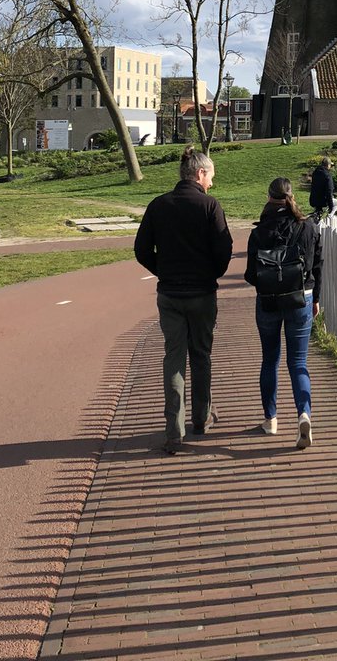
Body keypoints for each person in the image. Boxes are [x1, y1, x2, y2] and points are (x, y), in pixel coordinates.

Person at [134, 146, 233, 454]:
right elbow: (224, 249)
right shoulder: (209, 206)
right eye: (211, 176)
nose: (212, 183)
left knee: (173, 358)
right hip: (202, 293)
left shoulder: (158, 205)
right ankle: (202, 418)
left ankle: (173, 430)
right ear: (200, 173)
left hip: (170, 294)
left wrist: (162, 270)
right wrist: (211, 274)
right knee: (201, 355)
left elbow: (141, 250)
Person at [245, 177, 323, 449]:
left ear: (269, 198)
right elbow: (317, 266)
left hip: (268, 302)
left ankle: (271, 420)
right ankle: (304, 413)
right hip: (302, 299)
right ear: (292, 197)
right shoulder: (308, 227)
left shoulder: (258, 232)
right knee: (298, 363)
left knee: (270, 360)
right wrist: (316, 298)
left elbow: (250, 275)